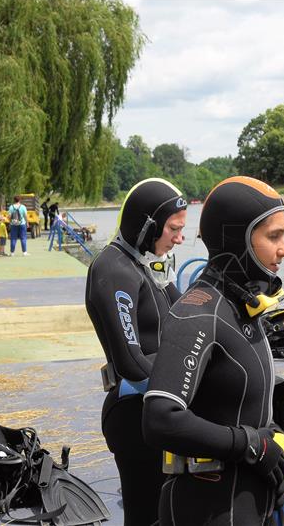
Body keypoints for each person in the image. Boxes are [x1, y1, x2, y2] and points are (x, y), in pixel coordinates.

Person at [143, 176, 284, 526]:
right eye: (273, 236)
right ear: (237, 240)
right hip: (208, 506)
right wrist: (249, 444)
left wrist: (272, 440)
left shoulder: (240, 304)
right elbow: (160, 419)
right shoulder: (198, 313)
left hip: (248, 500)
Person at [85, 178, 187, 526]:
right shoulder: (113, 269)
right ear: (147, 225)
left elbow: (187, 321)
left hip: (158, 407)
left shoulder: (145, 264)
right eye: (173, 229)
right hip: (133, 415)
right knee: (146, 516)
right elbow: (131, 363)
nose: (180, 238)